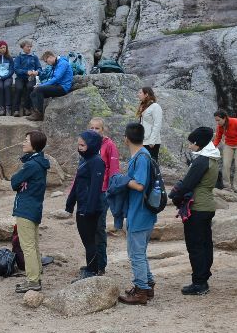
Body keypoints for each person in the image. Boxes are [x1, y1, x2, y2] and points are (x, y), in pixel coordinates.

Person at [167, 126, 220, 296]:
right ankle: (203, 276)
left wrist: (174, 195)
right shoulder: (212, 158)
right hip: (207, 205)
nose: (190, 146)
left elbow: (188, 184)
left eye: (192, 143)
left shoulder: (201, 161)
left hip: (197, 207)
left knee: (195, 245)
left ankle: (199, 282)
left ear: (199, 143)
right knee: (205, 243)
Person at [115, 122, 157, 304]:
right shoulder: (145, 155)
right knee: (140, 252)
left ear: (126, 138)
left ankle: (141, 292)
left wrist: (122, 180)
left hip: (140, 212)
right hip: (144, 212)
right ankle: (147, 284)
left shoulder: (141, 157)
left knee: (136, 253)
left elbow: (139, 185)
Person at [65, 130, 107, 280]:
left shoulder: (97, 161)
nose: (80, 148)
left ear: (92, 145)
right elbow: (77, 184)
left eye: (82, 145)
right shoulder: (85, 161)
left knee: (90, 240)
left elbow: (96, 188)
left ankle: (92, 270)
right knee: (86, 239)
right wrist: (70, 203)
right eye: (79, 145)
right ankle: (91, 266)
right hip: (82, 206)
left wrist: (89, 209)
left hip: (90, 209)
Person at [11, 130, 50, 293]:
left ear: (34, 145)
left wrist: (19, 182)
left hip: (25, 208)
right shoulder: (39, 163)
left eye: (26, 140)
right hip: (34, 207)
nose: (23, 142)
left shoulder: (31, 165)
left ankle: (33, 281)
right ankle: (36, 274)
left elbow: (14, 182)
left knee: (27, 246)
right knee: (33, 244)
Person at [27, 51, 73, 121]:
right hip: (57, 86)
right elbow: (48, 76)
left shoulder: (62, 63)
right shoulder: (56, 64)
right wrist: (40, 82)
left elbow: (56, 78)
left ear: (50, 57)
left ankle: (39, 114)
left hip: (63, 88)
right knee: (33, 93)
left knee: (39, 89)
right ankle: (35, 112)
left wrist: (42, 85)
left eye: (46, 61)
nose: (47, 63)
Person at [212, 110, 237, 193]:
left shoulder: (236, 122)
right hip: (228, 145)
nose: (217, 122)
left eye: (218, 120)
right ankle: (227, 186)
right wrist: (212, 148)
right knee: (225, 165)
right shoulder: (220, 126)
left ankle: (236, 186)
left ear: (224, 118)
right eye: (216, 120)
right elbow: (218, 137)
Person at [12, 40, 41, 117]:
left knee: (30, 87)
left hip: (31, 77)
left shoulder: (34, 57)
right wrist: (26, 72)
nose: (29, 48)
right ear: (23, 47)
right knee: (19, 88)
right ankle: (16, 110)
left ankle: (27, 108)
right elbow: (16, 69)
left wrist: (37, 72)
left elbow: (39, 68)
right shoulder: (19, 57)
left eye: (30, 46)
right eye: (27, 46)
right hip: (20, 77)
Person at [0, 40, 16, 116]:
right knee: (0, 87)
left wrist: (6, 76)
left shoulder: (9, 58)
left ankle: (8, 107)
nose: (3, 49)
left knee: (7, 85)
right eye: (1, 48)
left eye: (4, 47)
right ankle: (1, 108)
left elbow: (12, 70)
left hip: (7, 76)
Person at [137, 87, 163, 161]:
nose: (138, 94)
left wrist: (152, 141)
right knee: (144, 164)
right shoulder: (144, 107)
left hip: (151, 143)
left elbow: (157, 124)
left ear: (146, 94)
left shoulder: (155, 106)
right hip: (143, 141)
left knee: (151, 165)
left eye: (140, 93)